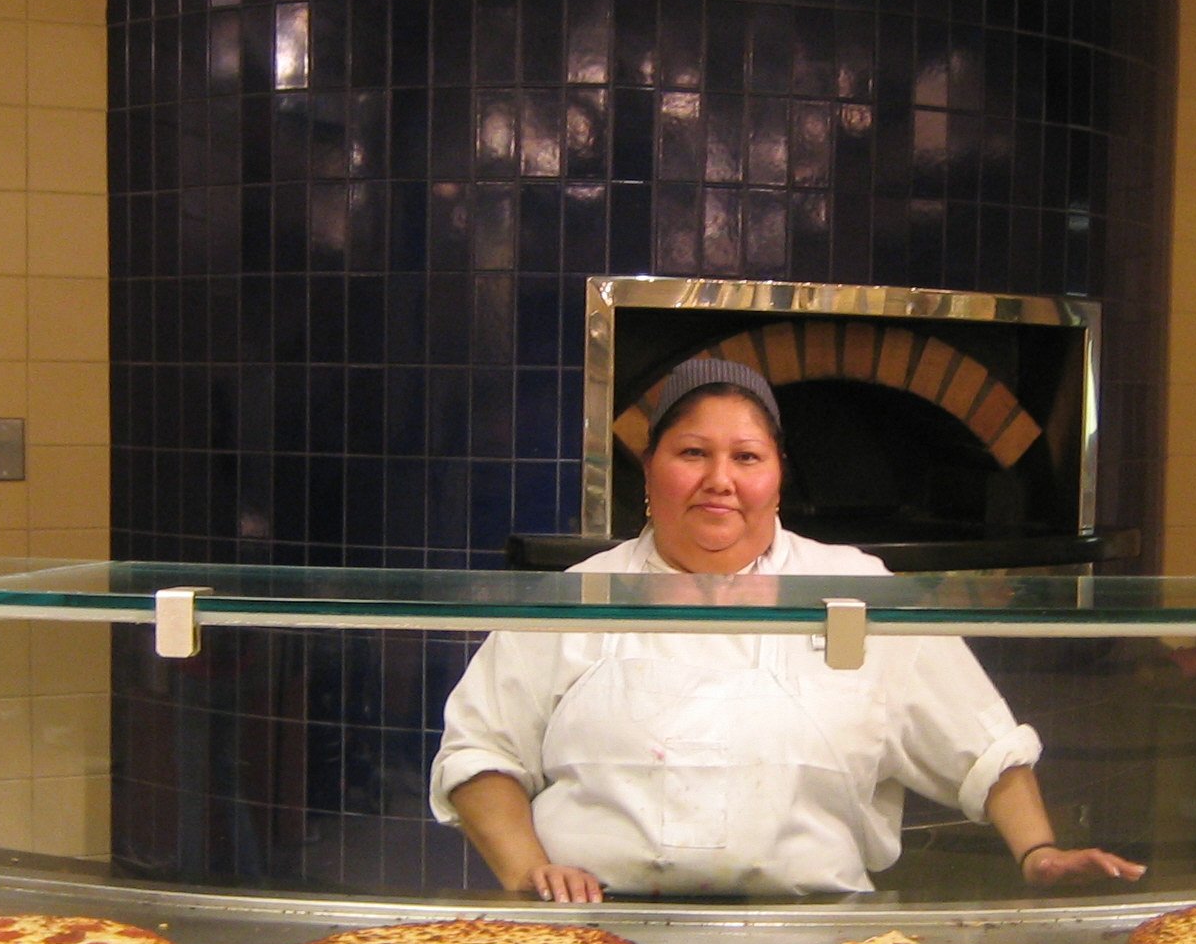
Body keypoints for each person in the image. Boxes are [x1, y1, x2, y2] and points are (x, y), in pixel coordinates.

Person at [430, 357, 1147, 902]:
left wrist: (1039, 853)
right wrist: (529, 874)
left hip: (812, 936)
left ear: (776, 477)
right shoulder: (582, 594)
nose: (721, 479)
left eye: (746, 457)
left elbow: (984, 745)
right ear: (649, 471)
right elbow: (481, 750)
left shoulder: (855, 589)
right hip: (598, 931)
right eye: (691, 454)